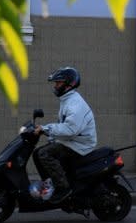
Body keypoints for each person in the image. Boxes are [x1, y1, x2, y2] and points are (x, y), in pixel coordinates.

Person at [34, 67, 97, 204]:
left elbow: (70, 129)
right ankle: (51, 183)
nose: (56, 86)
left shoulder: (75, 104)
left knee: (44, 154)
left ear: (69, 84)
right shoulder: (67, 100)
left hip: (79, 145)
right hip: (72, 141)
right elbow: (65, 127)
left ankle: (63, 188)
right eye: (56, 83)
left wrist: (46, 128)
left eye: (59, 83)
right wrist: (48, 133)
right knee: (38, 152)